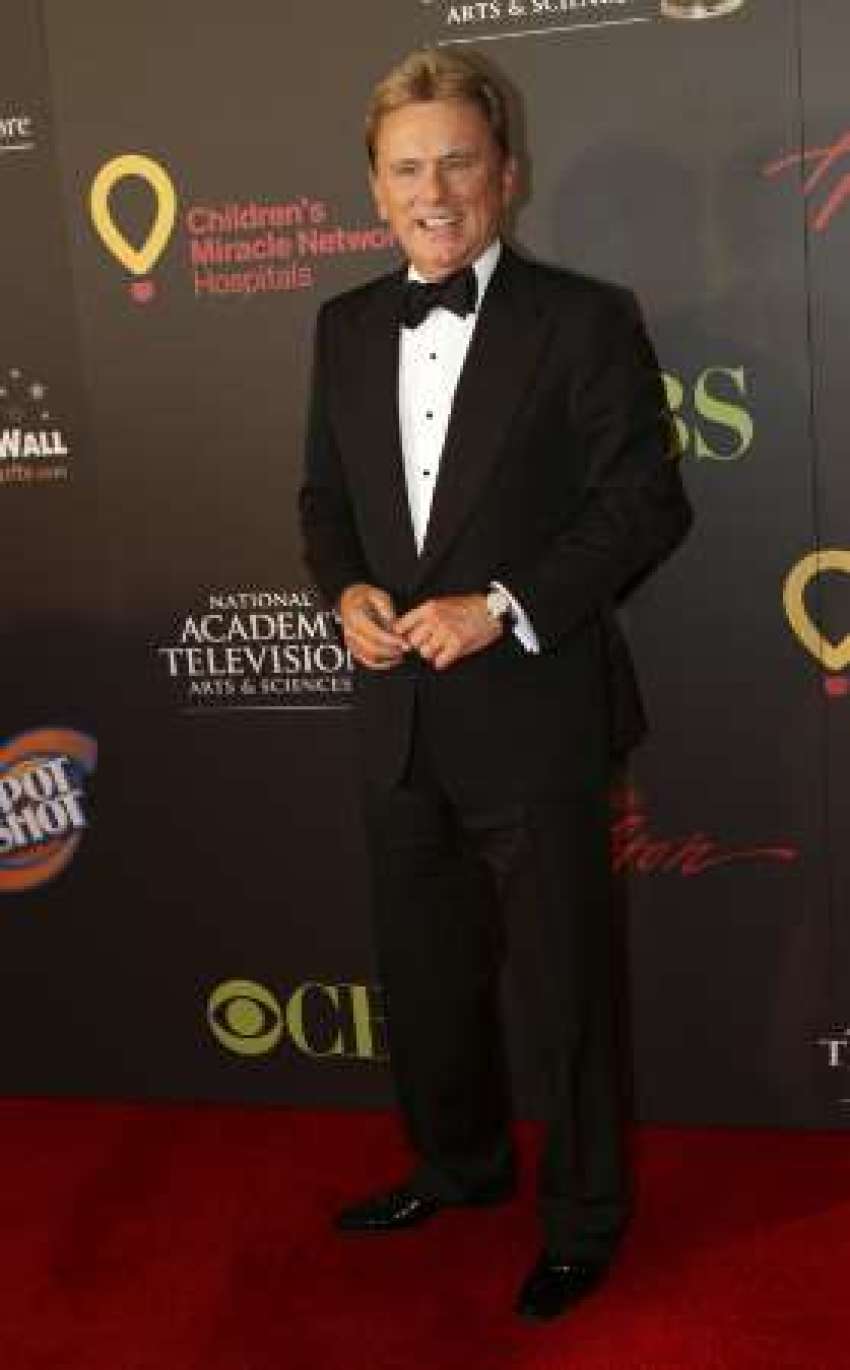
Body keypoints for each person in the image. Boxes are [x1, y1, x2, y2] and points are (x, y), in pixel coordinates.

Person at [298, 47, 692, 1322]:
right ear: (373, 188)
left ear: (504, 176)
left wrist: (504, 605)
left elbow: (644, 502)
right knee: (424, 975)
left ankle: (583, 1216)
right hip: (397, 719)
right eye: (408, 167)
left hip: (533, 709)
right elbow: (325, 504)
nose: (434, 188)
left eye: (458, 160)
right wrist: (345, 592)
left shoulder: (582, 317)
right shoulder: (344, 325)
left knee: (567, 986)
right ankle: (457, 1163)